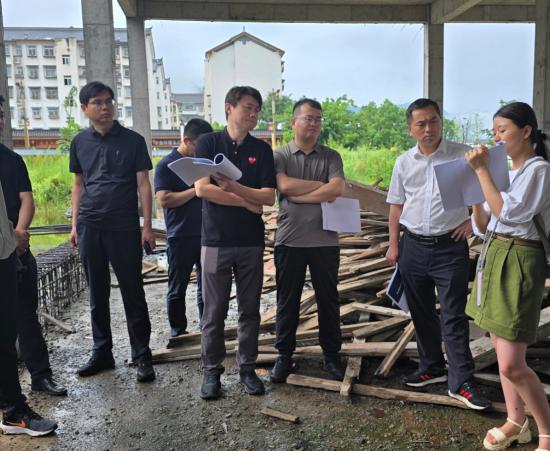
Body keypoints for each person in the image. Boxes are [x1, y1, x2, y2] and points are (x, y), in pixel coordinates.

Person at [386, 98, 490, 410]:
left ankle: (461, 382)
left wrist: (472, 223)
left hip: (449, 248)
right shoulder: (404, 162)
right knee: (420, 312)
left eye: (433, 121)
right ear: (410, 129)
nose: (428, 128)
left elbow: (484, 196)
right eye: (421, 123)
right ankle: (431, 367)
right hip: (413, 246)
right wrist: (394, 245)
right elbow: (396, 206)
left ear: (441, 122)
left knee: (453, 314)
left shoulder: (462, 155)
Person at [465, 102, 550, 451]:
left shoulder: (538, 170)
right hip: (495, 252)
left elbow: (510, 214)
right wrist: (473, 195)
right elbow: (484, 224)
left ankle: (547, 432)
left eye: (502, 130)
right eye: (494, 132)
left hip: (520, 258)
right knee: (501, 349)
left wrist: (482, 171)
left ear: (526, 131)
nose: (496, 138)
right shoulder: (505, 173)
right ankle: (516, 421)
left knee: (513, 363)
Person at [69, 81, 155, 382]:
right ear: (85, 108)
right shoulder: (79, 142)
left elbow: (143, 184)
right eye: (97, 102)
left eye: (108, 101)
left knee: (133, 291)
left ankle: (142, 355)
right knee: (97, 292)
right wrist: (74, 225)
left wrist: (147, 225)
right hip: (90, 225)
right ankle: (102, 352)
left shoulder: (133, 141)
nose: (105, 107)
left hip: (124, 225)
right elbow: (78, 185)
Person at [195, 86, 276, 399]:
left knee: (249, 309)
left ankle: (247, 369)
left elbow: (268, 197)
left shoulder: (262, 150)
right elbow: (203, 189)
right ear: (229, 108)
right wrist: (246, 201)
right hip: (214, 240)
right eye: (248, 107)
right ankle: (211, 372)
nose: (253, 114)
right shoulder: (209, 142)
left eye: (257, 109)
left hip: (250, 242)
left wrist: (233, 188)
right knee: (213, 311)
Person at [270, 98, 346, 383]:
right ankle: (284, 356)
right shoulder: (279, 156)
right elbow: (284, 185)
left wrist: (300, 196)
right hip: (289, 241)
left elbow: (336, 189)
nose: (314, 124)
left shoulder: (331, 156)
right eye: (308, 118)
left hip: (325, 242)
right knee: (287, 301)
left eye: (318, 119)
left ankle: (332, 356)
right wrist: (321, 187)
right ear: (294, 122)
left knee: (329, 301)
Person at [0, 97, 67, 396]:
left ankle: (40, 375)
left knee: (26, 314)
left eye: (1, 115)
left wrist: (19, 232)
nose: (0, 121)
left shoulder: (12, 160)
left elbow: (26, 199)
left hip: (18, 251)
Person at [154, 119, 213, 336]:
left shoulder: (204, 164)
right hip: (181, 235)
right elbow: (164, 199)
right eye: (200, 145)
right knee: (177, 287)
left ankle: (207, 328)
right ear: (186, 140)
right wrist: (197, 190)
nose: (203, 151)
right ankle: (178, 331)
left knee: (206, 287)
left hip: (207, 234)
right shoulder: (166, 165)